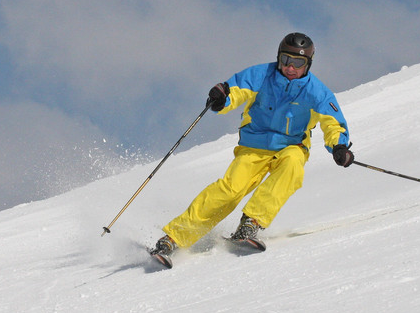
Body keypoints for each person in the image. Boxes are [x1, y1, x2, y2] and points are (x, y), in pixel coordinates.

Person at [150, 32, 354, 265]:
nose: (290, 68)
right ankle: (172, 238)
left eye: (298, 63)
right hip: (253, 146)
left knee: (292, 168)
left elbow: (333, 122)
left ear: (308, 64)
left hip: (291, 146)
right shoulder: (261, 75)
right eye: (286, 60)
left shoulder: (317, 92)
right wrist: (222, 98)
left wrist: (338, 146)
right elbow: (236, 90)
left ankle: (251, 223)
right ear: (279, 58)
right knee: (229, 190)